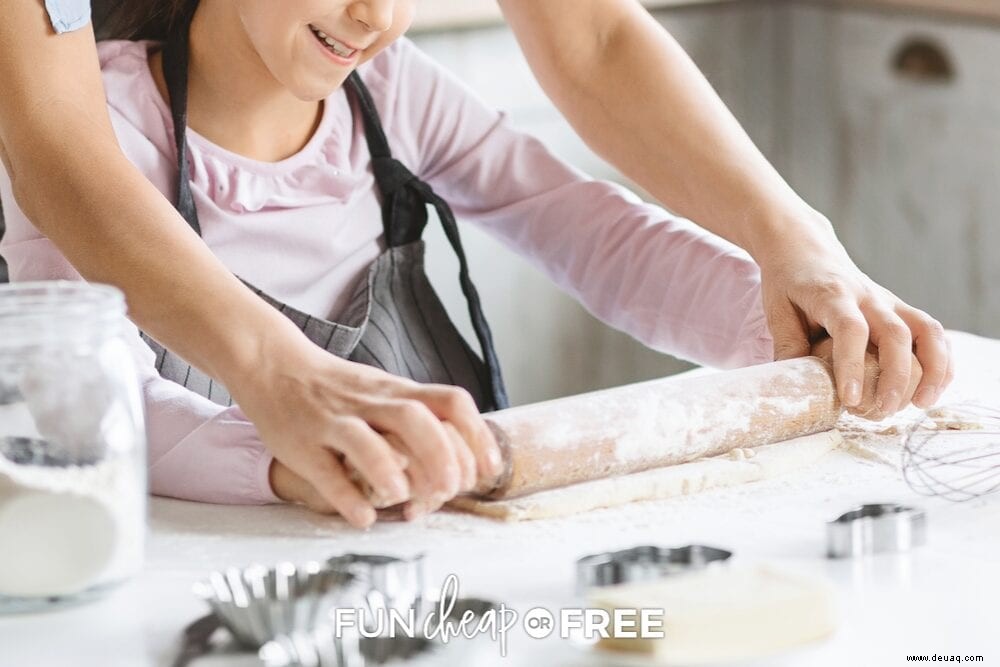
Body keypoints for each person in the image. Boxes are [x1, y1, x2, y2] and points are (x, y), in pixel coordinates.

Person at [0, 0, 951, 527]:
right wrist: (280, 453)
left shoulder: (391, 92)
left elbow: (588, 222)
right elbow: (88, 388)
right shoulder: (118, 120)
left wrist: (788, 308)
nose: (377, 14)